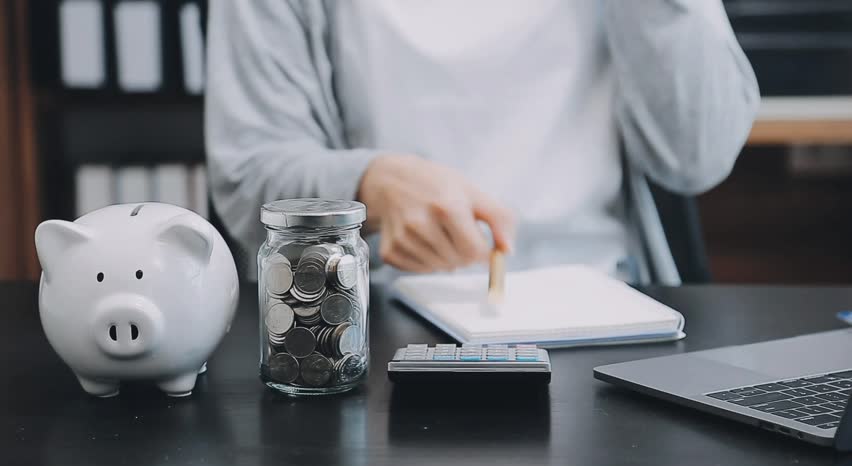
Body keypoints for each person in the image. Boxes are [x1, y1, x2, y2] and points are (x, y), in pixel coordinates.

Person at [205, 0, 759, 284]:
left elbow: (699, 156)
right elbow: (249, 178)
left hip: (614, 306)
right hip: (378, 327)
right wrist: (369, 184)